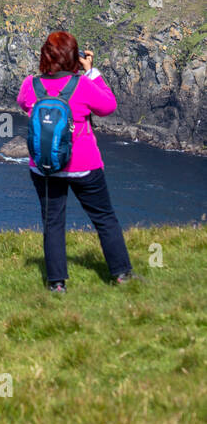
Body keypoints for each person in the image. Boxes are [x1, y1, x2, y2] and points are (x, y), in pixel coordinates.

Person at [16, 31, 137, 293]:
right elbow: (108, 106)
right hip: (83, 165)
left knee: (53, 222)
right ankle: (122, 275)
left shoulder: (31, 84)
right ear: (75, 56)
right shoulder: (82, 84)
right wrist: (91, 72)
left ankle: (57, 284)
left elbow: (24, 104)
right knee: (104, 217)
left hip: (44, 166)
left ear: (44, 55)